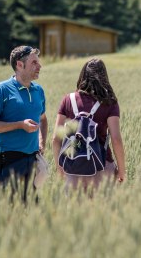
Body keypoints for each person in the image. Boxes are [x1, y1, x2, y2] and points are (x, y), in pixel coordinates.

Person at [0, 46, 47, 202]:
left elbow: (43, 118)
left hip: (32, 162)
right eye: (34, 62)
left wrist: (42, 141)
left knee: (32, 216)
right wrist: (19, 125)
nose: (39, 66)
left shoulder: (39, 91)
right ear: (19, 65)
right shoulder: (1, 90)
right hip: (8, 162)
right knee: (9, 216)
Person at [53, 58, 126, 192]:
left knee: (74, 212)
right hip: (102, 166)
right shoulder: (109, 102)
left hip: (72, 167)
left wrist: (60, 168)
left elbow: (56, 138)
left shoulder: (67, 100)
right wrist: (122, 171)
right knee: (101, 212)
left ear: (82, 76)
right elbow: (116, 139)